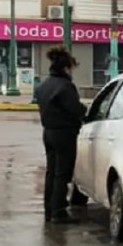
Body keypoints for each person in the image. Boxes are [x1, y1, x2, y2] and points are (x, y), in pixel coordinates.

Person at [34, 46, 86, 224]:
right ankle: (59, 211)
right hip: (64, 134)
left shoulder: (43, 86)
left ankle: (49, 209)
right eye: (71, 68)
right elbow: (76, 110)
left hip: (48, 132)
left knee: (51, 172)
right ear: (65, 68)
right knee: (62, 173)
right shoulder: (65, 87)